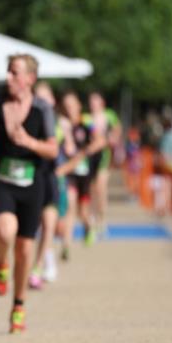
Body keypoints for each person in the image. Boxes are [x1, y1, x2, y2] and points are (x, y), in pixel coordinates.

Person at [0, 55, 58, 333]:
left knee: (25, 248)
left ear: (30, 78)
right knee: (6, 232)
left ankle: (18, 305)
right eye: (8, 71)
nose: (8, 77)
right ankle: (1, 260)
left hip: (32, 182)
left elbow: (53, 149)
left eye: (14, 72)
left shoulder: (42, 108)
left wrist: (29, 142)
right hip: (2, 180)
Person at [61, 91, 106, 248]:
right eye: (66, 106)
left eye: (72, 105)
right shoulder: (63, 124)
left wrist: (84, 153)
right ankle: (66, 244)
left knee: (82, 211)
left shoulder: (87, 122)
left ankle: (88, 226)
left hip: (85, 173)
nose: (69, 109)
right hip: (70, 173)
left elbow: (101, 141)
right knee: (70, 206)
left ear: (79, 106)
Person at [28, 81, 61, 289]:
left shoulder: (60, 125)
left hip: (50, 178)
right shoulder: (29, 120)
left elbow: (66, 150)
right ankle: (45, 257)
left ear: (53, 100)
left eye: (44, 98)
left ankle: (38, 267)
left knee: (49, 224)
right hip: (31, 177)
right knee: (32, 227)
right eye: (37, 98)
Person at [85, 92, 121, 236]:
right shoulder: (87, 118)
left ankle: (102, 218)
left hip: (104, 155)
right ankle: (93, 215)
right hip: (91, 155)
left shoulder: (109, 115)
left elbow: (117, 129)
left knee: (101, 188)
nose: (93, 104)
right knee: (92, 188)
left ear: (102, 103)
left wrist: (113, 138)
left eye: (96, 101)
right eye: (91, 102)